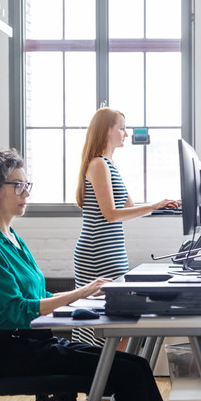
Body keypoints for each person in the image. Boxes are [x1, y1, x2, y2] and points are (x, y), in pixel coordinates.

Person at [0, 149, 172, 401]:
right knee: (128, 372)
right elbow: (19, 310)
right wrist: (80, 293)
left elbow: (39, 292)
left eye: (26, 184)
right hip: (20, 353)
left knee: (136, 365)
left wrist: (90, 297)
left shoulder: (11, 238)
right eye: (18, 185)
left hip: (39, 344)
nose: (26, 192)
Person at [73, 107, 178, 346]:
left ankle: (106, 379)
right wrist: (154, 205)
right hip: (98, 252)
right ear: (106, 130)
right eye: (121, 127)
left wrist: (163, 205)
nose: (126, 134)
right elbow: (111, 215)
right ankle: (92, 380)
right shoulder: (98, 164)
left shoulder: (109, 164)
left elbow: (129, 207)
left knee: (114, 321)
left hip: (112, 251)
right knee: (103, 322)